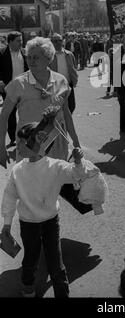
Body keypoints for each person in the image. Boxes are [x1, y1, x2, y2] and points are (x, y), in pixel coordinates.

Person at [0, 120, 88, 297]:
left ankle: (61, 292)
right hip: (28, 224)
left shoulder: (55, 166)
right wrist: (7, 224)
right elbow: (9, 198)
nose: (16, 146)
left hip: (50, 222)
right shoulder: (17, 170)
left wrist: (79, 161)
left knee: (55, 260)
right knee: (31, 258)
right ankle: (28, 286)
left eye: (20, 143)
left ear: (37, 145)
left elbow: (76, 175)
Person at [0, 37, 82, 168]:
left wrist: (76, 142)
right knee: (31, 186)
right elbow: (3, 116)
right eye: (29, 57)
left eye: (36, 57)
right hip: (29, 148)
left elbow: (66, 114)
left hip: (57, 147)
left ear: (48, 58)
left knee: (57, 185)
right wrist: (1, 147)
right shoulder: (18, 83)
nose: (31, 61)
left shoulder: (61, 81)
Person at [0, 31, 28, 146]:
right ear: (10, 42)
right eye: (18, 41)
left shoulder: (24, 52)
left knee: (25, 111)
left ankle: (26, 135)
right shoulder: (2, 53)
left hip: (24, 87)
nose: (21, 43)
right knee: (11, 114)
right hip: (8, 88)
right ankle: (13, 138)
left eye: (21, 40)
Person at [49, 33, 78, 114]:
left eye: (60, 40)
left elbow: (73, 68)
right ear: (52, 42)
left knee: (71, 106)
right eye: (55, 41)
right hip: (55, 86)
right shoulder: (49, 56)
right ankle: (62, 123)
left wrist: (75, 79)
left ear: (63, 42)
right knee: (58, 107)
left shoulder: (69, 54)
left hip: (68, 84)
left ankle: (66, 122)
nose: (58, 42)